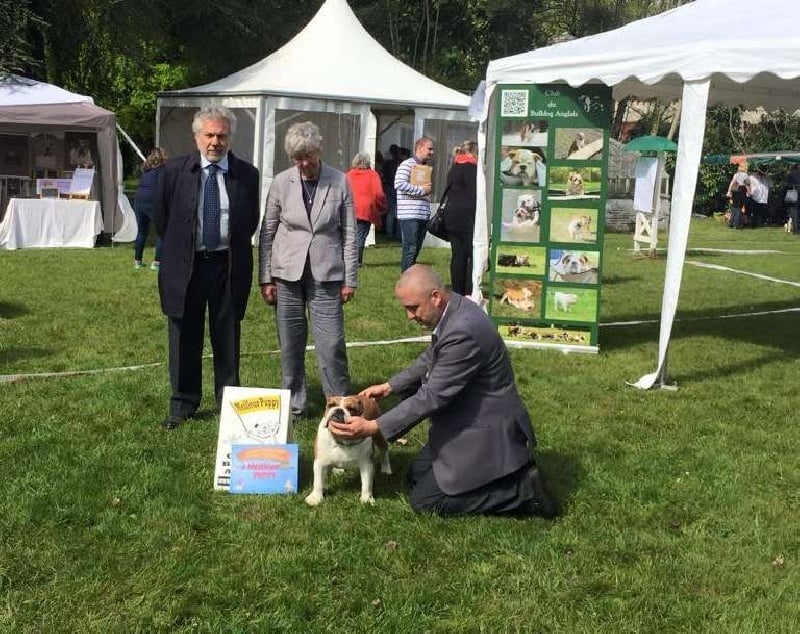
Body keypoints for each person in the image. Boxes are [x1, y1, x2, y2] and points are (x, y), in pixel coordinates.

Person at [328, 265, 557, 518]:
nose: (409, 316)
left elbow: (432, 397)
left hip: (487, 432)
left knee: (426, 501)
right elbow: (432, 357)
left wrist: (374, 427)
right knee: (416, 476)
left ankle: (522, 490)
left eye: (413, 308)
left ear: (435, 297)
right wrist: (391, 386)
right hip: (464, 421)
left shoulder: (464, 330)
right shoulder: (454, 308)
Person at [154, 106, 260, 430]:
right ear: (197, 136)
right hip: (187, 267)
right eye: (209, 135)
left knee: (227, 335)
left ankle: (228, 402)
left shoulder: (247, 175)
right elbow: (163, 219)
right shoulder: (173, 172)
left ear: (230, 138)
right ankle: (183, 403)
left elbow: (249, 222)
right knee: (185, 335)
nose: (215, 141)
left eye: (222, 135)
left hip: (226, 266)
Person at [258, 121, 357, 417]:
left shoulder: (340, 181)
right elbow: (267, 231)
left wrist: (350, 278)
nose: (303, 164)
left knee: (332, 344)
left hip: (328, 274)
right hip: (286, 273)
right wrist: (265, 277)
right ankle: (294, 404)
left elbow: (350, 233)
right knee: (290, 343)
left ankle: (338, 404)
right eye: (297, 159)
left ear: (319, 151)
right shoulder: (280, 182)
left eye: (308, 157)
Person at [441, 140, 477, 296]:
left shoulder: (454, 167)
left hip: (451, 215)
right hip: (467, 216)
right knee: (472, 255)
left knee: (457, 255)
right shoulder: (471, 169)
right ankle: (470, 289)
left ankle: (457, 290)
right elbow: (475, 194)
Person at [395, 137, 434, 271]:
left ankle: (410, 280)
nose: (432, 152)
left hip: (421, 215)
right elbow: (399, 184)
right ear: (419, 148)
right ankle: (406, 281)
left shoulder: (424, 168)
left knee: (415, 249)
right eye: (429, 148)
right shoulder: (407, 164)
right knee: (410, 249)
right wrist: (422, 190)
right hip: (410, 215)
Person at [345, 152, 386, 265]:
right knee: (361, 236)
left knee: (349, 235)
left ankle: (347, 258)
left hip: (349, 208)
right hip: (365, 209)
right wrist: (382, 206)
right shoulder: (373, 175)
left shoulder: (348, 175)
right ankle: (357, 261)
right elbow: (378, 193)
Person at [133, 147, 167, 270]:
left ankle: (137, 261)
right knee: (161, 232)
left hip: (139, 200)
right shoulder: (163, 170)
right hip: (153, 200)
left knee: (141, 232)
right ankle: (157, 263)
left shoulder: (146, 171)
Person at [726, 162, 749, 229]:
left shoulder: (736, 174)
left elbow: (732, 183)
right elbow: (747, 185)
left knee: (734, 207)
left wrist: (729, 191)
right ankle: (736, 224)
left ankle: (730, 223)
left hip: (735, 191)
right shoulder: (745, 175)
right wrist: (749, 192)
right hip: (742, 190)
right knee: (739, 207)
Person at [787, 164, 800, 234]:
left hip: (794, 192)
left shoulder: (791, 174)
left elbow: (788, 185)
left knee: (794, 211)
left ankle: (796, 229)